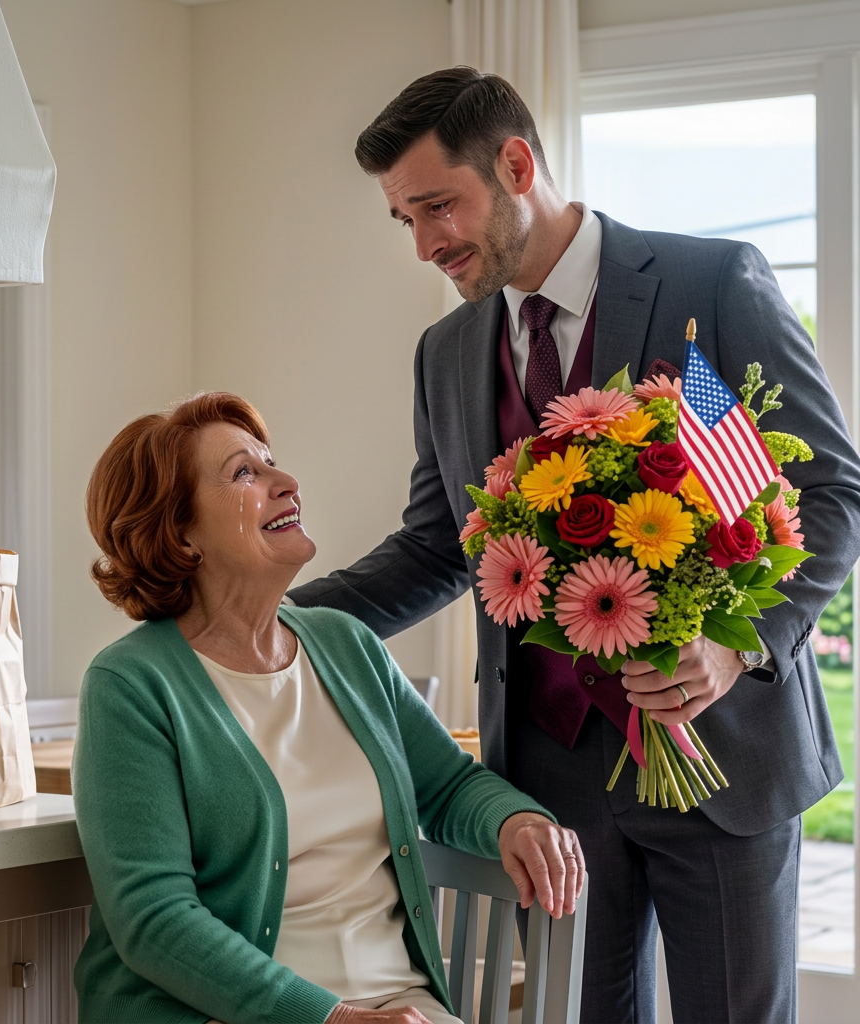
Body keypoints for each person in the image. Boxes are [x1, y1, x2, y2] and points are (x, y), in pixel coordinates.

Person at [288, 67, 860, 1023]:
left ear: (516, 164)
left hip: (718, 754)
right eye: (407, 221)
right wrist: (266, 618)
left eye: (439, 206)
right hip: (549, 785)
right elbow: (440, 547)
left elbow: (827, 493)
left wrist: (735, 643)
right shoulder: (448, 352)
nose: (428, 244)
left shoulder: (705, 287)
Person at [71, 391, 585, 1024]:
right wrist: (331, 1018)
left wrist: (516, 822)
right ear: (180, 533)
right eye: (244, 474)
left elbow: (448, 786)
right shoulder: (131, 685)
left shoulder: (345, 644)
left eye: (271, 463)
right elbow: (154, 921)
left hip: (403, 1008)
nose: (286, 483)